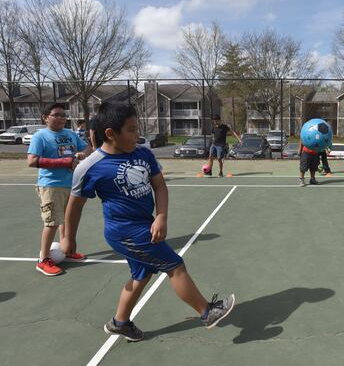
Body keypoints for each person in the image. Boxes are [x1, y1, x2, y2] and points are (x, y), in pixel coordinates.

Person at [64, 102, 235, 341]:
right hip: (124, 231)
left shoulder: (142, 153)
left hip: (145, 224)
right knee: (175, 266)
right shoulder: (90, 167)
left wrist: (161, 216)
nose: (138, 135)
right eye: (131, 130)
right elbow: (74, 206)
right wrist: (68, 239)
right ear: (111, 134)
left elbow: (159, 185)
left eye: (138, 128)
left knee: (141, 275)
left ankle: (120, 322)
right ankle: (207, 312)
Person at [27, 103, 91, 276]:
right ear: (45, 117)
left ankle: (67, 250)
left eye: (64, 115)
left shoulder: (70, 134)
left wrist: (82, 153)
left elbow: (87, 147)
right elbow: (32, 161)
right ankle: (43, 260)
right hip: (51, 185)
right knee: (53, 222)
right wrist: (63, 162)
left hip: (71, 184)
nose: (61, 118)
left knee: (66, 220)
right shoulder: (40, 136)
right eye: (57, 115)